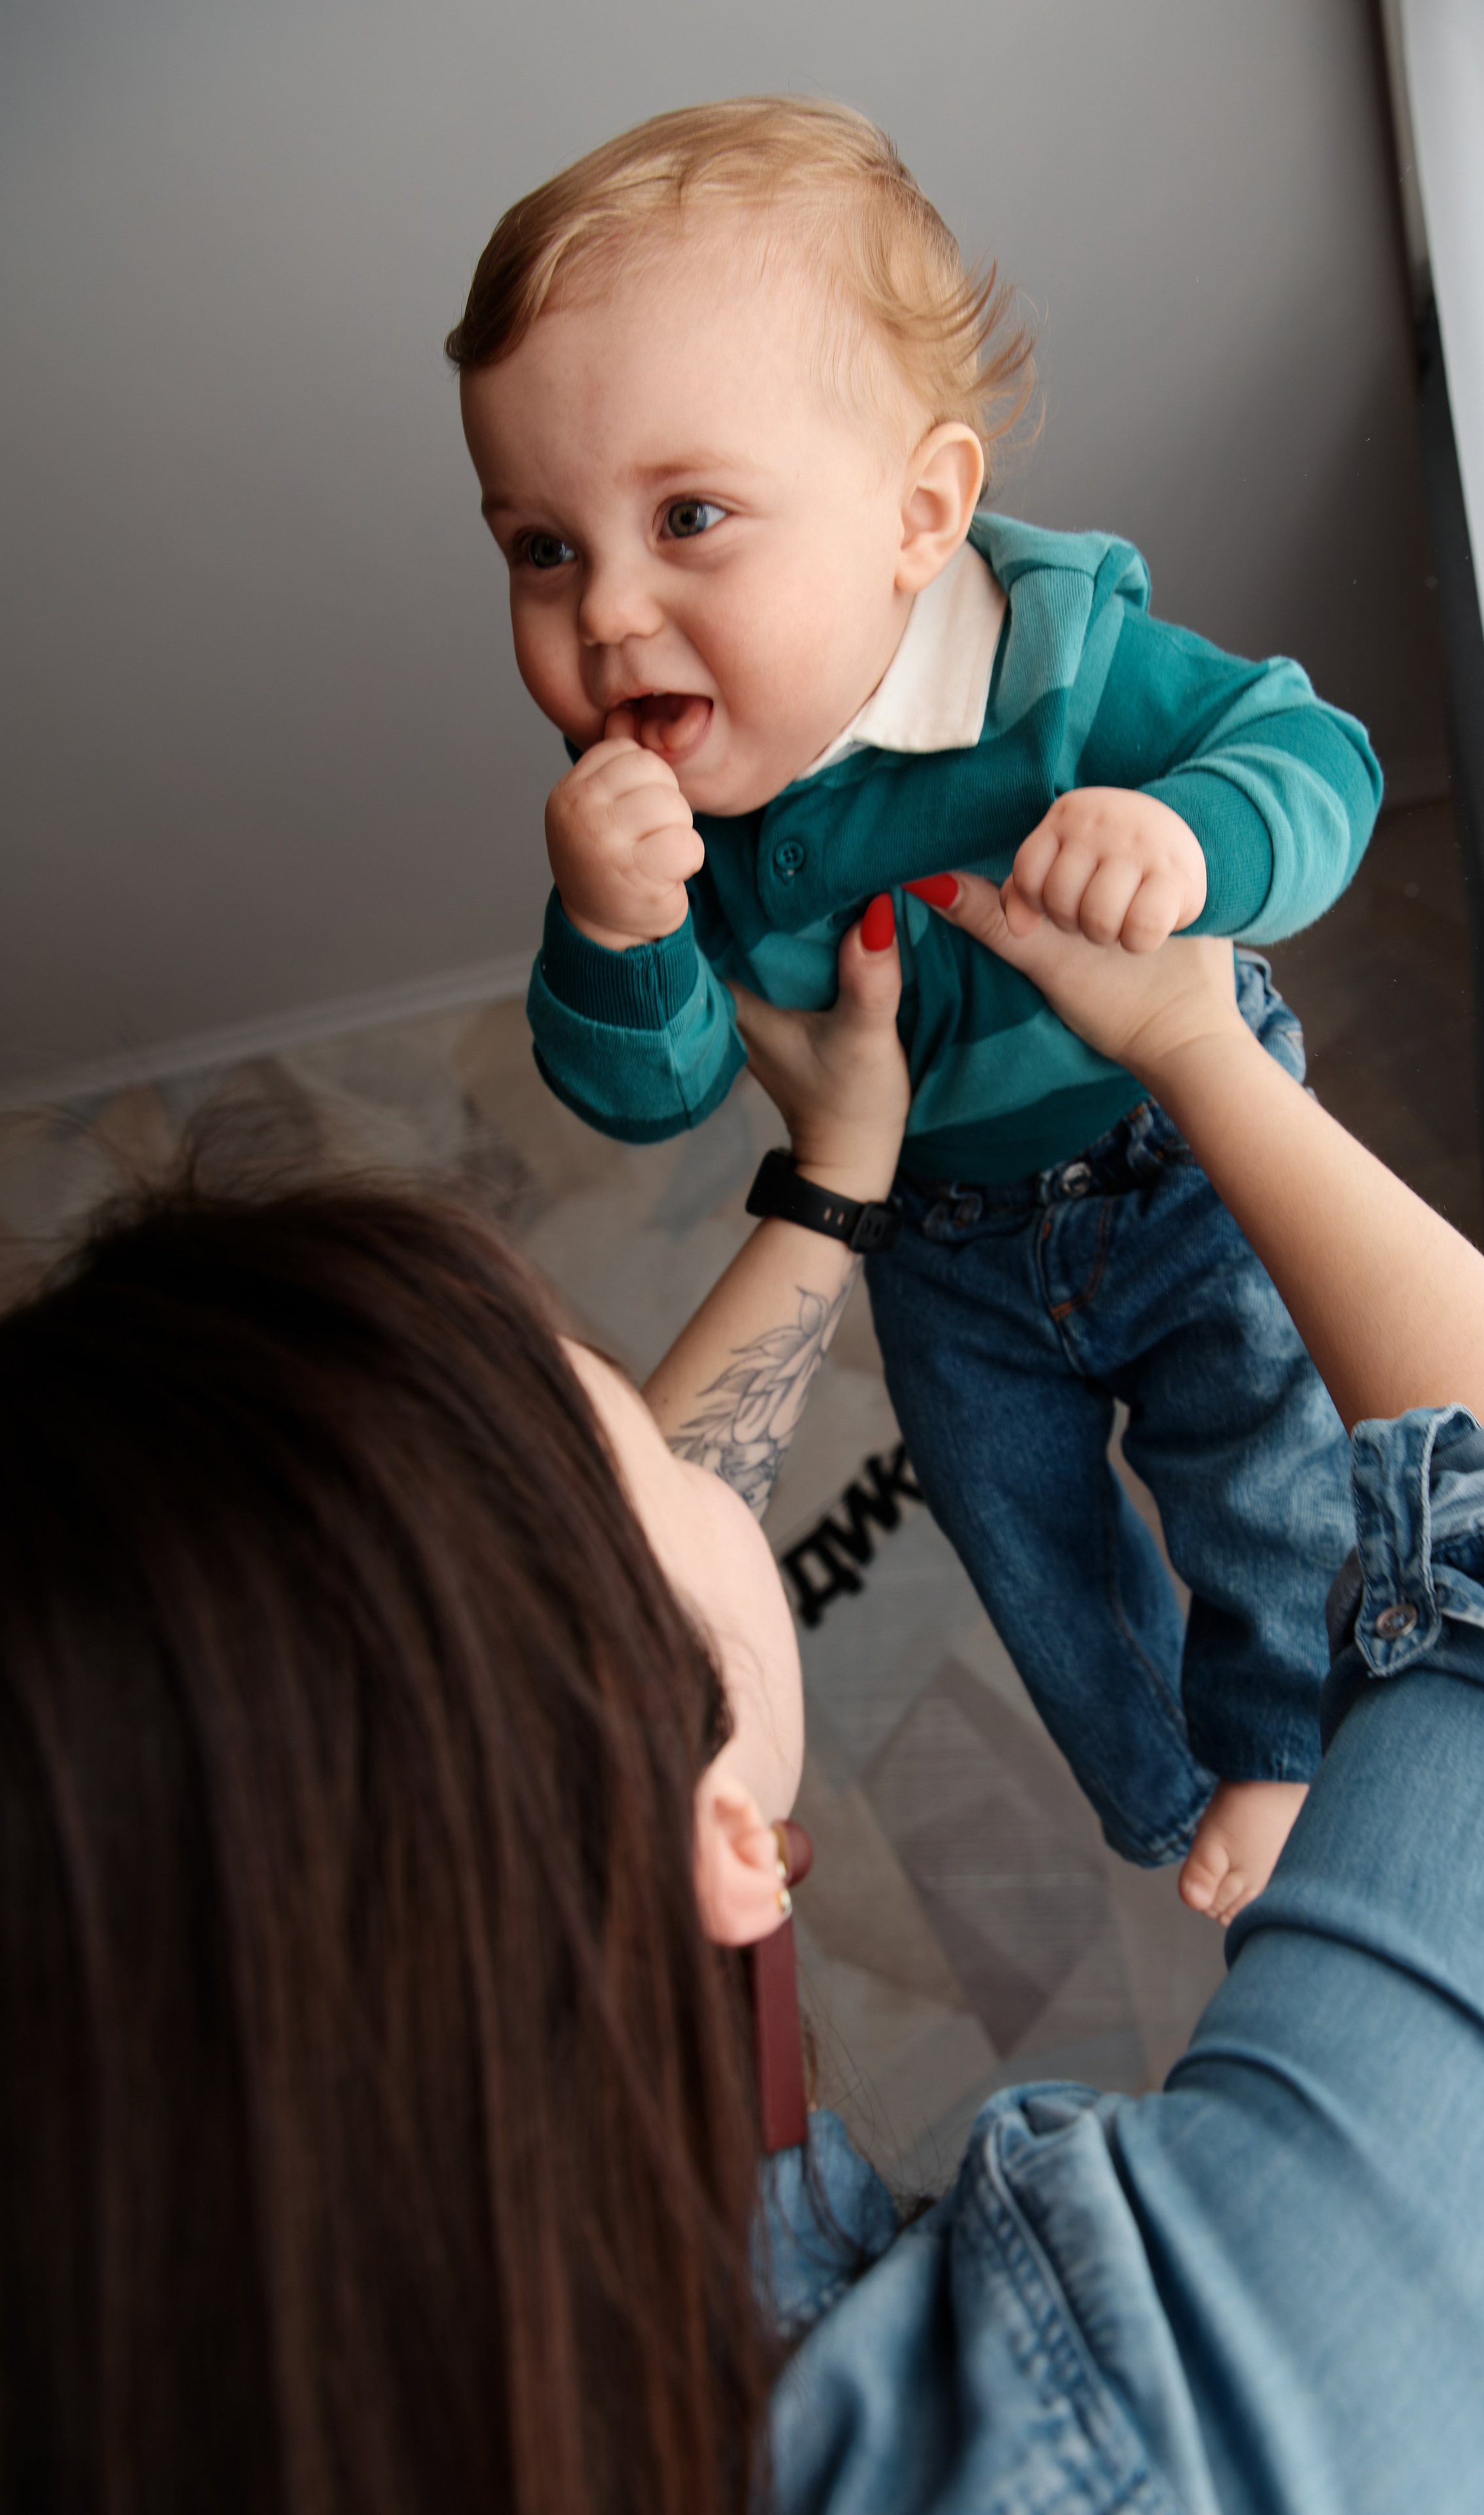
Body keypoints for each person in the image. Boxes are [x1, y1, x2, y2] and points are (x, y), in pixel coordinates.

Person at [3, 882, 1484, 2513]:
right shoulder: (1124, 2427)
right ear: (717, 1837)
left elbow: (568, 1636)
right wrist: (1198, 1041)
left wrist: (836, 1179)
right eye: (639, 1467)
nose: (699, 1472)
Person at [448, 95, 1386, 1918]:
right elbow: (648, 1094)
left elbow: (1316, 756)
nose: (609, 614)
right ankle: (1152, 1789)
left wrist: (1187, 841)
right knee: (1013, 1520)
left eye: (688, 518)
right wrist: (614, 927)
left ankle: (1282, 1741)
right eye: (539, 546)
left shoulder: (1067, 668)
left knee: (1263, 1455)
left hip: (1167, 1153)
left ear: (919, 514)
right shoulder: (664, 803)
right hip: (940, 1231)